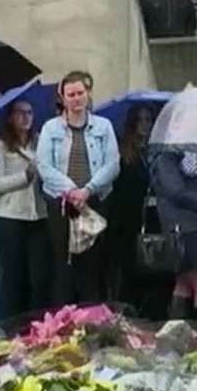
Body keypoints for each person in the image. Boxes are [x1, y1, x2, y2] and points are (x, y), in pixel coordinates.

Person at [36, 72, 119, 308]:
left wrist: (88, 190)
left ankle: (90, 320)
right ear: (62, 98)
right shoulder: (50, 129)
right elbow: (44, 165)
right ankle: (62, 320)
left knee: (92, 265)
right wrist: (72, 190)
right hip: (62, 204)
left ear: (88, 94)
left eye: (80, 93)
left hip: (95, 201)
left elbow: (112, 164)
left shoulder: (104, 127)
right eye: (70, 94)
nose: (76, 99)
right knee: (64, 264)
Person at [0, 97, 49, 318]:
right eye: (20, 112)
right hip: (10, 216)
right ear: (11, 117)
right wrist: (24, 176)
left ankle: (36, 322)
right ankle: (10, 322)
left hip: (38, 215)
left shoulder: (41, 141)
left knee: (39, 275)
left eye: (29, 113)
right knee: (12, 275)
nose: (25, 117)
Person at [150, 147, 197, 322]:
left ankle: (176, 336)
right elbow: (175, 191)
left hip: (195, 224)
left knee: (184, 284)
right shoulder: (166, 156)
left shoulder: (194, 154)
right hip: (183, 227)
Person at [105, 104, 161, 317]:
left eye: (149, 120)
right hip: (128, 218)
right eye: (142, 120)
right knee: (128, 269)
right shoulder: (123, 152)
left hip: (151, 216)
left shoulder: (154, 150)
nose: (146, 125)